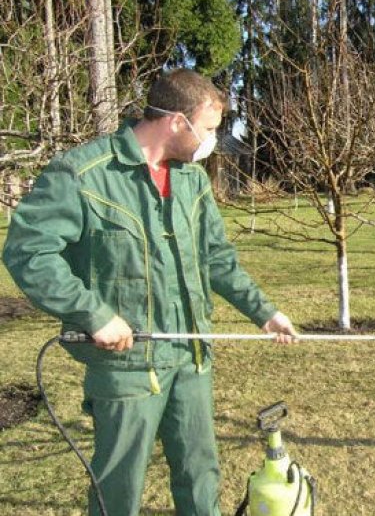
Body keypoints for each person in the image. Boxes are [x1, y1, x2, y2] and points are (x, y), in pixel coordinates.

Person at [2, 68, 297, 515]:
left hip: (191, 357)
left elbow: (216, 258)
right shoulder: (83, 174)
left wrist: (265, 312)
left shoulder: (192, 182)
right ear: (177, 122)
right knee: (118, 489)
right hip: (126, 368)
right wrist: (93, 313)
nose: (212, 141)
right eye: (210, 129)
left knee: (201, 475)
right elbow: (29, 252)